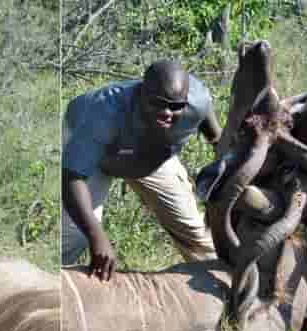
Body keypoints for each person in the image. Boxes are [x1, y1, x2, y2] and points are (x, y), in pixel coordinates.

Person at [62, 59, 222, 281]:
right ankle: (55, 291)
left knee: (195, 231)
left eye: (175, 106)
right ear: (141, 94)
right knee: (76, 235)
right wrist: (96, 235)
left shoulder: (195, 101)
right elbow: (73, 177)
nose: (167, 113)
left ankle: (221, 291)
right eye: (158, 103)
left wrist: (220, 148)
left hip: (151, 156)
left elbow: (213, 131)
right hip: (100, 155)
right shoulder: (104, 111)